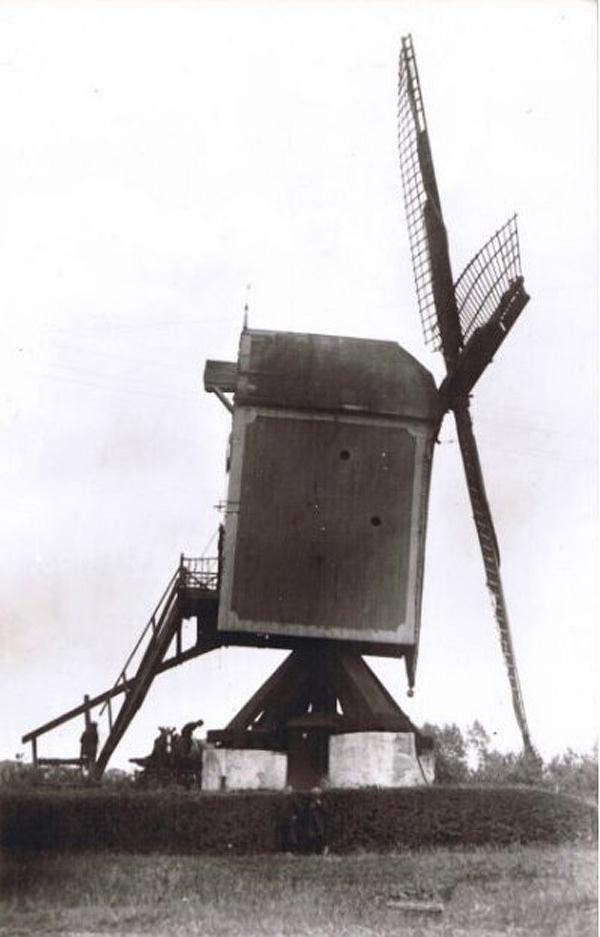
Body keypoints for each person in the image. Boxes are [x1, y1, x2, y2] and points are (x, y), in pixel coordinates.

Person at [304, 787, 327, 855]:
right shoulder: (309, 802)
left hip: (319, 822)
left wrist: (319, 804)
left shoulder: (322, 802)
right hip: (311, 821)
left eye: (316, 794)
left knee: (320, 836)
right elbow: (306, 811)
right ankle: (312, 851)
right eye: (314, 794)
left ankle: (320, 851)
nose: (315, 796)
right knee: (311, 836)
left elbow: (325, 810)